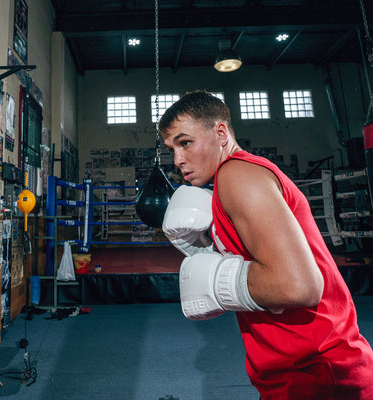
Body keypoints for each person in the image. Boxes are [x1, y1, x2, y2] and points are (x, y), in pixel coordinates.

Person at [159, 90, 373, 399]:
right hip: (298, 372)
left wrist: (219, 280)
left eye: (185, 143)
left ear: (221, 133)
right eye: (172, 149)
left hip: (319, 373)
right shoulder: (230, 183)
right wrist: (209, 250)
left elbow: (298, 286)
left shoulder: (237, 174)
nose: (178, 160)